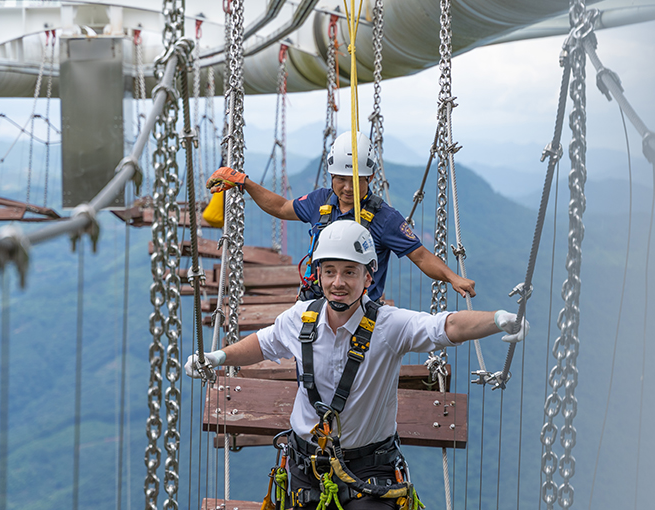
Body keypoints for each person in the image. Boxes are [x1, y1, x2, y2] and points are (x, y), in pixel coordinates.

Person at [185, 220, 529, 509]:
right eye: (330, 272)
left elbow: (447, 326)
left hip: (368, 475)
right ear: (318, 275)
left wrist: (498, 319)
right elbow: (262, 343)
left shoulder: (390, 326)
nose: (338, 282)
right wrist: (219, 357)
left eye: (350, 272)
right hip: (304, 469)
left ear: (368, 278)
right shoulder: (300, 319)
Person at [206, 130, 476, 302]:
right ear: (331, 176)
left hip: (360, 312)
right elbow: (280, 207)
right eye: (340, 179)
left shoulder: (385, 218)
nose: (347, 188)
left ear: (369, 178)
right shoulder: (319, 201)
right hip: (318, 304)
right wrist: (246, 183)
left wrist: (453, 277)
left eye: (356, 181)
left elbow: (420, 255)